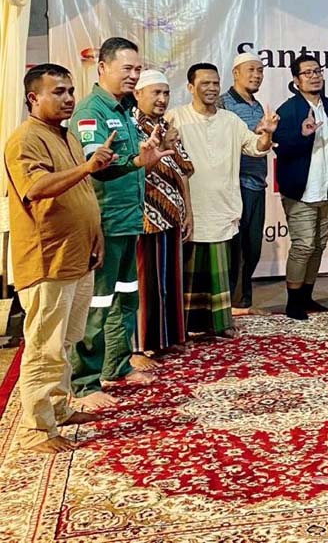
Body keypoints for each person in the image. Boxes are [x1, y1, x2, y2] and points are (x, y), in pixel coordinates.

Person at [4, 64, 113, 452]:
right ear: (34, 98)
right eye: (58, 92)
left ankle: (58, 409)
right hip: (47, 259)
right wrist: (88, 166)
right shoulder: (25, 139)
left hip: (77, 255)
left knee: (66, 341)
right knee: (44, 346)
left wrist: (96, 235)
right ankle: (37, 430)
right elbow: (36, 188)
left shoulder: (65, 136)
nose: (68, 98)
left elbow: (81, 192)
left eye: (70, 91)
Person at [69, 37, 172, 410]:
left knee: (126, 297)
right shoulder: (91, 111)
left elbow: (132, 160)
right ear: (102, 67)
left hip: (130, 220)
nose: (133, 75)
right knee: (97, 303)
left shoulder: (126, 109)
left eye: (137, 69)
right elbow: (96, 165)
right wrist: (136, 163)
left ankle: (116, 365)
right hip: (104, 223)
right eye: (126, 68)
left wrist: (144, 159)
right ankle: (84, 383)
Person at [167, 63, 278, 337]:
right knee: (190, 273)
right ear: (190, 87)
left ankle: (220, 323)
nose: (212, 88)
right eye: (205, 83)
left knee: (221, 272)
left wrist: (267, 133)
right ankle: (185, 327)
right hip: (191, 209)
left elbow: (256, 148)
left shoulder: (230, 120)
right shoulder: (176, 118)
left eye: (215, 83)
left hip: (223, 207)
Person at [273, 55, 328, 320]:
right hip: (301, 192)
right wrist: (303, 136)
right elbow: (281, 150)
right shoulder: (287, 111)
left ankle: (306, 296)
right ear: (296, 80)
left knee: (318, 246)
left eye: (317, 71)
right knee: (303, 246)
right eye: (307, 73)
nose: (314, 76)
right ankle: (293, 302)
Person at [133, 70, 194, 354]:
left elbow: (183, 171)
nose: (162, 99)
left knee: (170, 282)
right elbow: (131, 171)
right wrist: (160, 147)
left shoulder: (167, 126)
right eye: (155, 93)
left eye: (166, 93)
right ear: (137, 94)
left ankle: (167, 340)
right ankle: (142, 346)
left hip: (172, 215)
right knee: (147, 285)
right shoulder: (131, 126)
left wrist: (188, 213)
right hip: (146, 216)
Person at [218, 52, 267, 311]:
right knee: (235, 248)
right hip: (235, 185)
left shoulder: (258, 106)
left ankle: (243, 301)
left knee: (252, 248)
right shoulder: (222, 104)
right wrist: (253, 135)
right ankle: (233, 303)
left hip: (257, 184)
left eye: (260, 71)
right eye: (251, 70)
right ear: (235, 73)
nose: (256, 75)